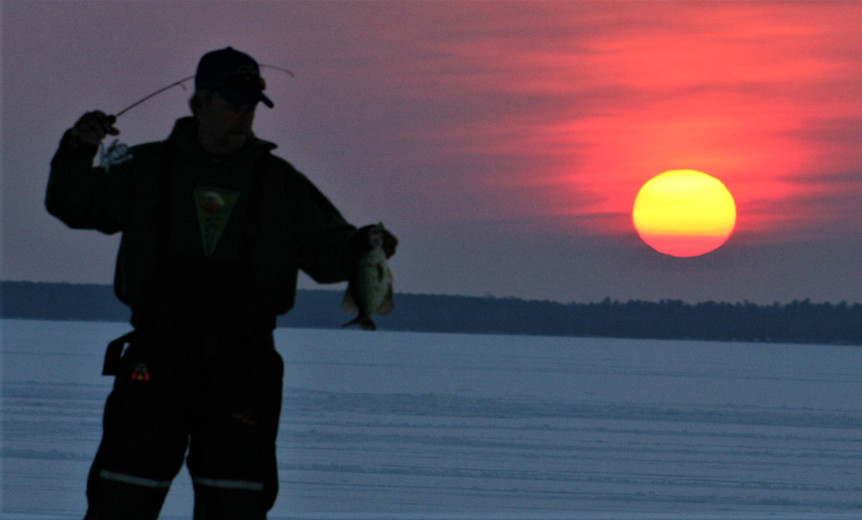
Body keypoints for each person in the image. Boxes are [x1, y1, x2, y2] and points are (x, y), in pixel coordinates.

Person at [45, 47, 397, 520]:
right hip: (157, 361)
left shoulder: (279, 182)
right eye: (234, 100)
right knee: (122, 496)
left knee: (236, 502)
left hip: (243, 369)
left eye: (252, 102)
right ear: (200, 101)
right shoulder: (145, 168)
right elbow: (73, 205)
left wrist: (362, 246)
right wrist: (77, 149)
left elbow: (325, 251)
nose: (245, 112)